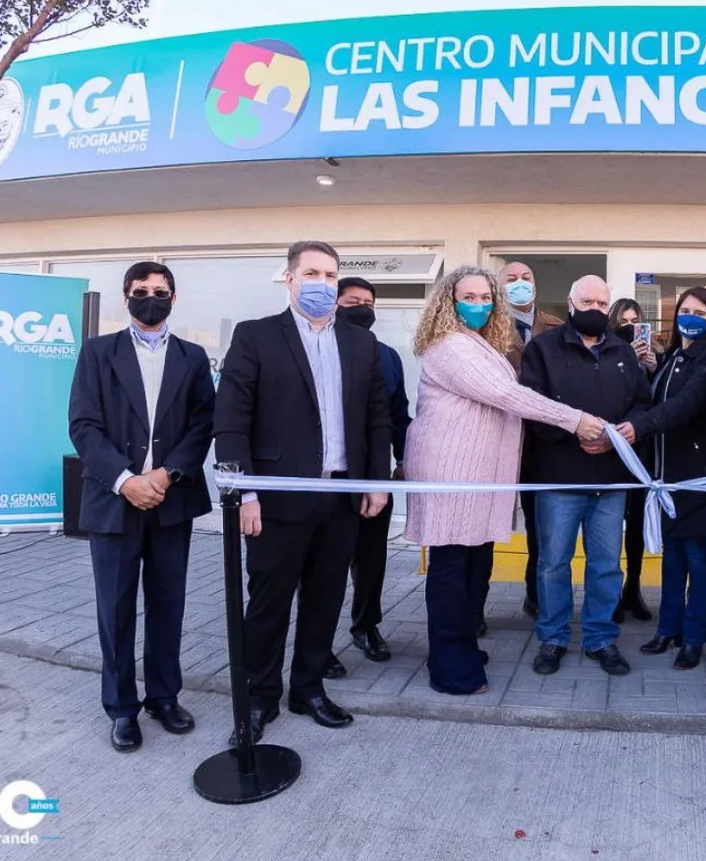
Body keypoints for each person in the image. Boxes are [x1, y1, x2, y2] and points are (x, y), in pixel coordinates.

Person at [214, 240, 391, 743]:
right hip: (274, 499)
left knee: (325, 598)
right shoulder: (256, 337)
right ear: (290, 279)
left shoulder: (361, 344)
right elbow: (230, 420)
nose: (323, 283)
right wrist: (242, 492)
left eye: (331, 275)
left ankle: (308, 688)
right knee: (268, 602)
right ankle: (258, 697)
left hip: (340, 497)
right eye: (312, 273)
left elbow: (376, 417)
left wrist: (376, 480)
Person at [403, 265, 604, 694]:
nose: (478, 305)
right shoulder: (450, 345)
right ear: (447, 301)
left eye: (484, 297)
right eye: (468, 297)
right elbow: (507, 395)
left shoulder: (479, 343)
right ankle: (450, 668)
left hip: (476, 476)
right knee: (452, 570)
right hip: (451, 474)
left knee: (473, 566)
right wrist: (576, 420)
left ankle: (460, 651)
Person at [68, 262, 215, 752]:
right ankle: (121, 708)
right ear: (125, 296)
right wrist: (127, 480)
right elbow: (84, 425)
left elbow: (203, 424)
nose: (150, 298)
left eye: (160, 291)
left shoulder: (193, 357)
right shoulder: (97, 352)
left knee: (168, 605)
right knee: (115, 608)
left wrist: (166, 474)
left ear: (174, 297)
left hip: (171, 501)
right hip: (115, 502)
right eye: (141, 291)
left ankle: (163, 697)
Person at [522, 275, 652, 678]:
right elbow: (532, 406)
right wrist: (574, 432)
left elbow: (641, 405)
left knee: (605, 564)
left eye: (601, 303)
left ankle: (600, 638)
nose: (595, 309)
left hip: (610, 479)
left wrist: (620, 435)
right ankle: (554, 637)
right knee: (553, 564)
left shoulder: (623, 352)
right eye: (588, 302)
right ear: (570, 302)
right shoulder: (542, 349)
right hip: (559, 477)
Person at [623, 287, 706, 669]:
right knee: (673, 556)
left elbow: (688, 404)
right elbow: (659, 398)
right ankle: (668, 628)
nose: (691, 317)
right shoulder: (673, 357)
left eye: (700, 312)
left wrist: (640, 426)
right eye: (685, 310)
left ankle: (693, 637)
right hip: (665, 477)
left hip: (698, 476)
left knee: (698, 556)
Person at [323, 277, 412, 671]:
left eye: (369, 302)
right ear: (334, 303)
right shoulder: (321, 349)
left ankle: (366, 625)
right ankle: (318, 641)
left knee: (371, 558)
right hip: (327, 478)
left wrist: (403, 459)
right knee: (324, 563)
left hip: (374, 476)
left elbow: (397, 415)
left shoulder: (388, 355)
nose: (362, 308)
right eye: (352, 300)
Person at [501, 260, 563, 620]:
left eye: (526, 278)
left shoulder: (555, 326)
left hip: (543, 444)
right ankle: (474, 608)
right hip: (500, 439)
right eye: (511, 279)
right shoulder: (487, 329)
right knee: (485, 524)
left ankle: (536, 597)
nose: (519, 284)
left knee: (543, 527)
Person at [608, 297, 659, 623]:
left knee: (638, 524)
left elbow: (658, 401)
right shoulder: (609, 352)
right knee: (610, 523)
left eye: (635, 321)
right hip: (613, 447)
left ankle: (634, 587)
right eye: (623, 322)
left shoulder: (653, 353)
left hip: (643, 448)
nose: (630, 327)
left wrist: (654, 366)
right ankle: (610, 593)